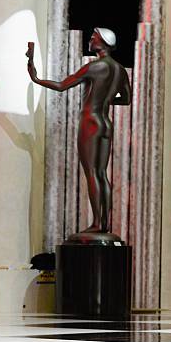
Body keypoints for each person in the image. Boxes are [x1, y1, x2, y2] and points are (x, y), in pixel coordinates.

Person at [26, 28, 131, 236]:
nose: (90, 39)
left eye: (94, 37)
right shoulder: (120, 70)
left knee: (92, 173)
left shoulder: (94, 67)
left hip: (90, 122)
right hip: (105, 123)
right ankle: (104, 223)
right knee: (101, 174)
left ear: (103, 42)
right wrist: (108, 100)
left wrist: (36, 78)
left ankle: (96, 224)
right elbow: (126, 99)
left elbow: (61, 86)